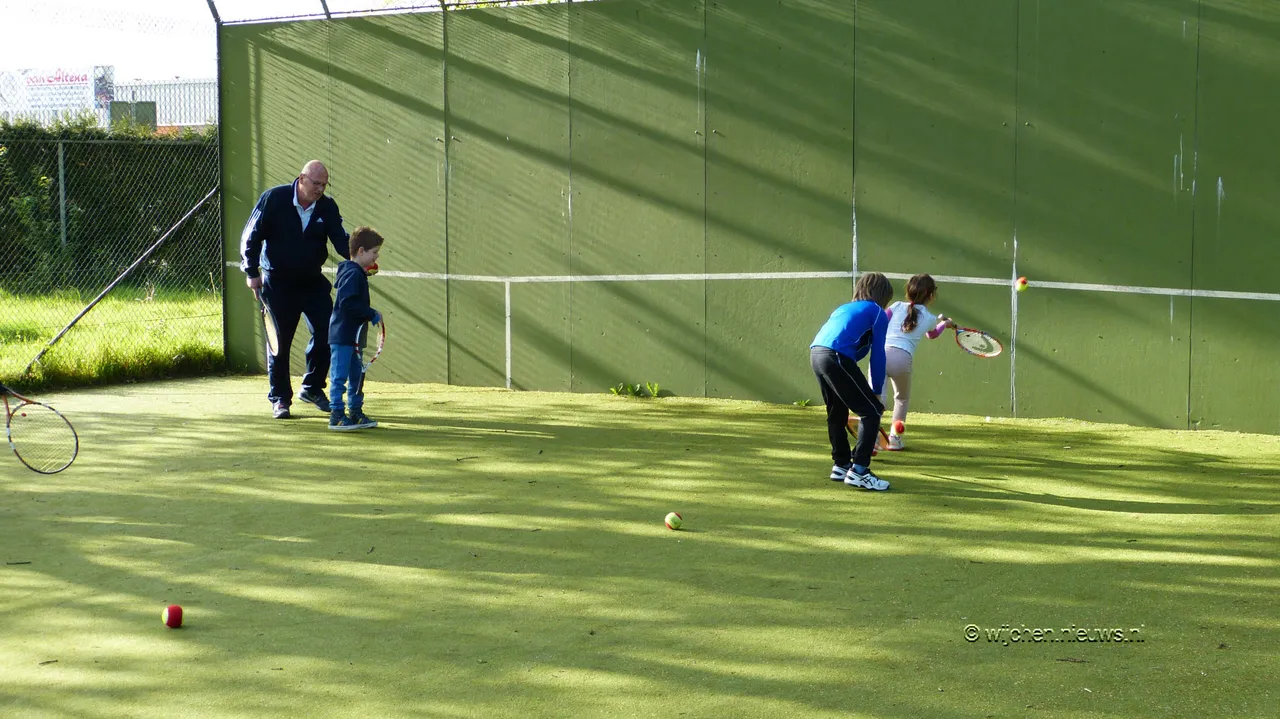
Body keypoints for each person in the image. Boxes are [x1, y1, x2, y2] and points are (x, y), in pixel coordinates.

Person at [240, 161, 351, 419]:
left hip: (312, 282)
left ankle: (312, 388)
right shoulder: (274, 199)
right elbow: (250, 236)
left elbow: (340, 240)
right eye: (316, 183)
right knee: (279, 343)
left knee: (328, 331)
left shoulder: (327, 207)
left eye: (324, 184)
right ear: (301, 179)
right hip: (277, 284)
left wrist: (359, 257)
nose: (320, 189)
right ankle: (280, 399)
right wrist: (252, 272)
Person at [810, 272, 894, 491]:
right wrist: (876, 390)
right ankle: (859, 471)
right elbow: (878, 355)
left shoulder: (844, 308)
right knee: (872, 411)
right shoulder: (878, 312)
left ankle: (841, 464)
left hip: (817, 355)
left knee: (836, 412)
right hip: (835, 357)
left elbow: (855, 349)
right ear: (884, 296)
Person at [880, 274, 954, 450]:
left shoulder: (896, 306)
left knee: (876, 399)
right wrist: (946, 324)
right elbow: (932, 334)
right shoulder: (929, 318)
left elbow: (882, 320)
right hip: (902, 359)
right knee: (902, 399)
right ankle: (895, 440)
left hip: (881, 355)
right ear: (931, 295)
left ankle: (870, 435)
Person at [328, 227, 383, 431]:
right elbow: (347, 303)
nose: (376, 257)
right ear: (361, 251)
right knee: (340, 376)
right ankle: (336, 415)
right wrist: (371, 313)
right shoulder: (353, 274)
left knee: (356, 375)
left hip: (354, 337)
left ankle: (356, 413)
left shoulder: (356, 273)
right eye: (374, 252)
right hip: (342, 336)